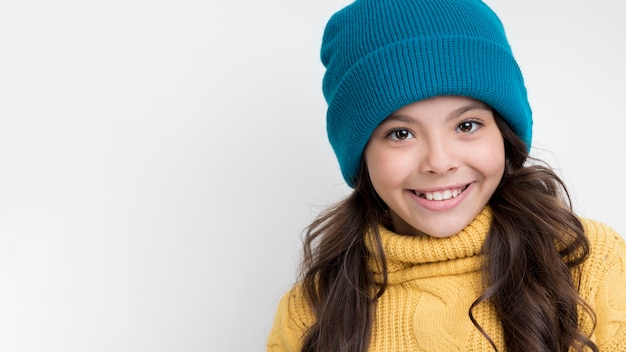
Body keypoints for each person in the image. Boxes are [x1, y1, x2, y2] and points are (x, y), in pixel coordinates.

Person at [266, 0, 626, 351]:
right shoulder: (310, 310)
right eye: (400, 134)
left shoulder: (588, 265)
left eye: (467, 125)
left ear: (504, 135)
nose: (439, 162)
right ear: (361, 154)